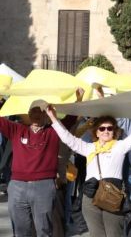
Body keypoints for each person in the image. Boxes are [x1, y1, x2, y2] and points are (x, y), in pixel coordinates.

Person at [46, 102, 131, 237]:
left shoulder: (120, 146)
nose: (106, 131)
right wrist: (53, 118)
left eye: (109, 128)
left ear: (114, 131)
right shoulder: (90, 148)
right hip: (90, 198)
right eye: (102, 128)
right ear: (96, 132)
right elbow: (67, 138)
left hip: (113, 196)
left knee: (114, 234)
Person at [0, 94, 79, 236]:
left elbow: (70, 119)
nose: (37, 114)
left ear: (46, 115)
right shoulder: (17, 129)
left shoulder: (53, 131)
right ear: (29, 114)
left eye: (40, 111)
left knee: (44, 230)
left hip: (44, 187)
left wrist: (78, 101)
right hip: (17, 186)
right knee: (20, 231)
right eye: (34, 111)